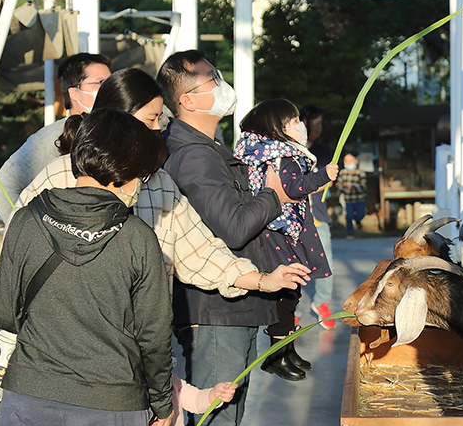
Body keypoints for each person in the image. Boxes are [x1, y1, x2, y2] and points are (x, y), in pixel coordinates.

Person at [0, 108, 174, 426]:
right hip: (111, 404)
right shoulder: (138, 239)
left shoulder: (26, 219)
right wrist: (162, 401)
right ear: (126, 174)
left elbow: (1, 310)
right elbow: (154, 336)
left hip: (30, 398)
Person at [156, 50, 304, 426]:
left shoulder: (205, 150)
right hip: (213, 310)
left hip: (228, 306)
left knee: (218, 423)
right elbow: (233, 228)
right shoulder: (195, 156)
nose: (221, 84)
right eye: (211, 79)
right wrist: (276, 195)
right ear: (189, 98)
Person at [18, 67, 308, 302]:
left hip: (134, 342)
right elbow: (17, 247)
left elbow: (199, 251)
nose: (158, 127)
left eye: (160, 117)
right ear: (119, 119)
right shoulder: (60, 176)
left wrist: (262, 280)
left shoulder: (158, 183)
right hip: (58, 335)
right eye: (151, 118)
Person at [235, 99, 339, 380]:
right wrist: (322, 176)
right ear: (276, 128)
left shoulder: (265, 153)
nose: (300, 126)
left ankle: (286, 352)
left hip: (273, 232)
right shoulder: (284, 157)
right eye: (293, 122)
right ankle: (276, 355)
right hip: (281, 234)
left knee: (290, 294)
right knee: (286, 294)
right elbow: (292, 188)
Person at [0, 52, 111, 221]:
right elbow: (1, 186)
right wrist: (22, 232)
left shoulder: (115, 131)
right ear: (74, 93)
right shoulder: (52, 137)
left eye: (111, 82)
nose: (109, 89)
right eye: (100, 83)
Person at [299, 103, 337, 328]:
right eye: (316, 124)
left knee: (326, 262)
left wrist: (312, 184)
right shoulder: (291, 150)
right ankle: (291, 310)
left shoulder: (323, 152)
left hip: (318, 216)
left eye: (321, 124)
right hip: (294, 217)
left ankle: (322, 303)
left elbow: (328, 181)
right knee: (294, 264)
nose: (319, 128)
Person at [337, 152, 368, 238]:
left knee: (361, 214)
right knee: (349, 216)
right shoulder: (342, 173)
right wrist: (339, 190)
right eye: (346, 161)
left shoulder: (360, 173)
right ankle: (350, 232)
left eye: (351, 160)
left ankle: (358, 221)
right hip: (348, 199)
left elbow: (363, 186)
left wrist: (354, 187)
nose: (348, 163)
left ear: (356, 161)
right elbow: (340, 184)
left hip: (359, 199)